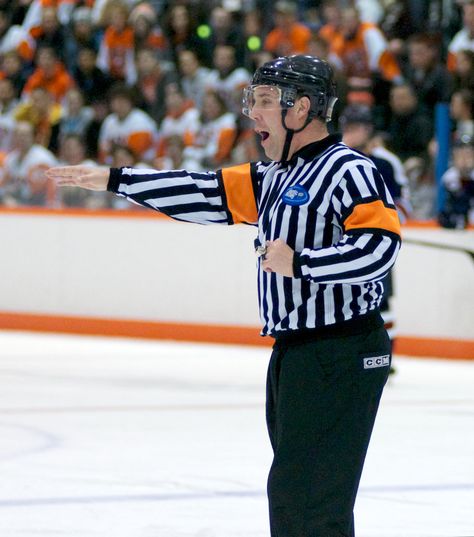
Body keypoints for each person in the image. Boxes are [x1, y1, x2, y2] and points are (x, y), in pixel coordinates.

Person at [46, 54, 401, 537]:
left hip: (340, 351)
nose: (253, 112)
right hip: (298, 352)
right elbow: (202, 191)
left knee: (312, 499)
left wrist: (301, 263)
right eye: (251, 100)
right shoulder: (275, 174)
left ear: (302, 109)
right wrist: (115, 180)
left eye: (265, 102)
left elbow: (380, 249)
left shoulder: (349, 172)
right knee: (297, 494)